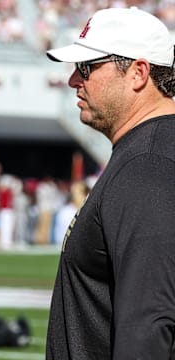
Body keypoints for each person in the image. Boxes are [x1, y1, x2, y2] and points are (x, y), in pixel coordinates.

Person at [45, 7, 175, 359]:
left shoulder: (147, 165)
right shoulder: (147, 153)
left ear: (138, 72)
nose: (73, 80)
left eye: (87, 67)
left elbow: (147, 326)